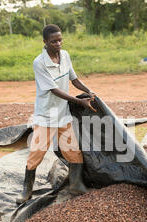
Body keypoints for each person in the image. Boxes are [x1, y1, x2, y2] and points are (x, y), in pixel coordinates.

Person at [16, 24, 96, 204]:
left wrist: (90, 92)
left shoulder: (65, 55)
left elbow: (74, 79)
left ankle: (75, 184)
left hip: (62, 114)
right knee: (37, 152)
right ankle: (26, 190)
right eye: (54, 41)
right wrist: (79, 101)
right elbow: (54, 90)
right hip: (45, 116)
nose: (58, 43)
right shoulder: (40, 63)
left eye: (60, 40)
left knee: (73, 151)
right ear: (45, 42)